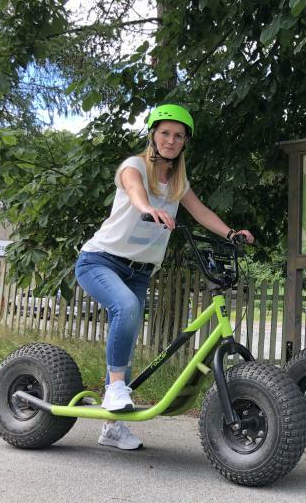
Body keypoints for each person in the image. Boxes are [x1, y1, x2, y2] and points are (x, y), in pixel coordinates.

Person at [74, 104, 254, 450]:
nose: (171, 140)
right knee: (125, 309)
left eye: (178, 136)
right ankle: (114, 389)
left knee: (126, 336)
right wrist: (146, 208)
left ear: (185, 142)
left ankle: (112, 428)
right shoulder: (135, 166)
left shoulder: (178, 182)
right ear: (153, 136)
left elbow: (200, 212)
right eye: (165, 133)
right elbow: (134, 189)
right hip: (100, 261)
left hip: (140, 272)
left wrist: (231, 233)